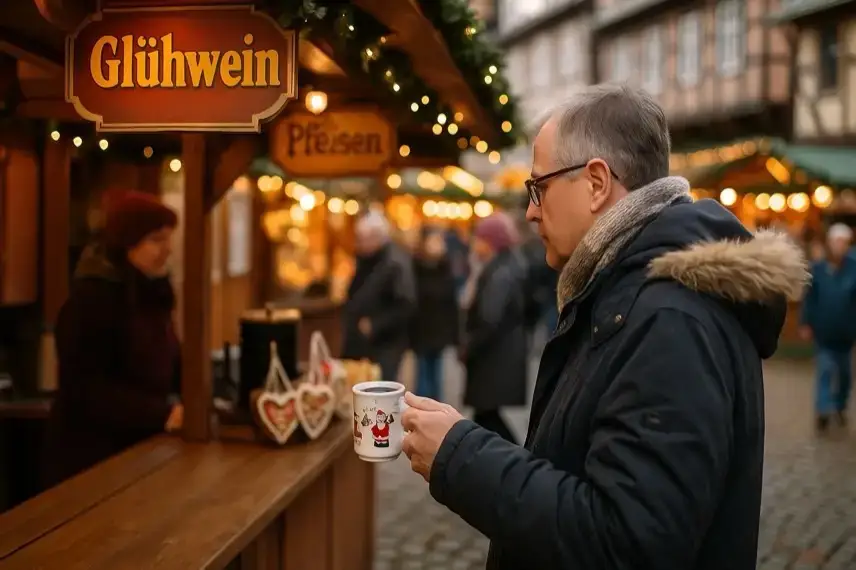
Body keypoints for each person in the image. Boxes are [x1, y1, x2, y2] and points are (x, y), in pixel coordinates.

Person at [399, 84, 809, 570]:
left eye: (539, 187)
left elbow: (631, 543)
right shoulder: (622, 294)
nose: (530, 211)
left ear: (596, 183)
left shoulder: (671, 320)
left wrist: (461, 457)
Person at [42, 190, 183, 489]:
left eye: (168, 239)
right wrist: (162, 414)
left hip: (139, 451)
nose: (168, 250)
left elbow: (171, 360)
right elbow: (89, 389)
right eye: (157, 240)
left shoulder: (151, 295)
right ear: (127, 243)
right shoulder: (93, 300)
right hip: (92, 459)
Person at [459, 213, 527, 444]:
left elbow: (489, 319)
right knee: (485, 416)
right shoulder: (501, 266)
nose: (474, 243)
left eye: (479, 239)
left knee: (487, 417)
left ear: (492, 242)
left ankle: (518, 460)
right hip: (498, 358)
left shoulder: (501, 273)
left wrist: (468, 346)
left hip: (495, 359)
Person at [342, 211, 416, 382]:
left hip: (385, 345)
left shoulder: (395, 263)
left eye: (363, 239)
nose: (359, 244)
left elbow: (406, 305)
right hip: (363, 344)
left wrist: (375, 324)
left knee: (380, 394)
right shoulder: (367, 259)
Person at [800, 222, 856, 431]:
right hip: (824, 331)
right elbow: (810, 298)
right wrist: (806, 322)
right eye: (836, 241)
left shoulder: (854, 268)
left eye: (843, 242)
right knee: (825, 369)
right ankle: (823, 410)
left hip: (846, 333)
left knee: (844, 374)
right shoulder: (819, 269)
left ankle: (840, 406)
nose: (839, 246)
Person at [411, 226, 459, 401]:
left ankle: (434, 411)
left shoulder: (445, 268)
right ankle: (420, 411)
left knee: (436, 376)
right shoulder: (415, 268)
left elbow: (451, 304)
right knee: (423, 377)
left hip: (439, 332)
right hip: (421, 331)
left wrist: (455, 335)